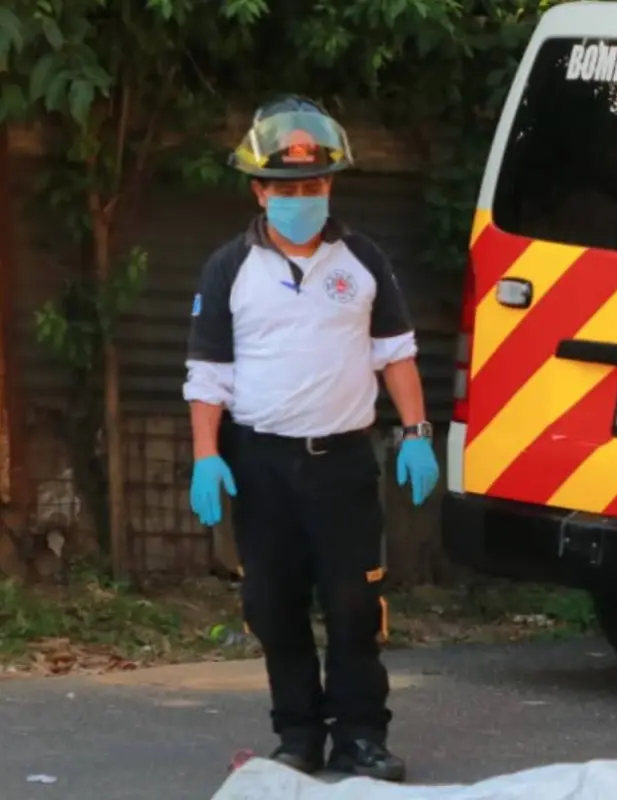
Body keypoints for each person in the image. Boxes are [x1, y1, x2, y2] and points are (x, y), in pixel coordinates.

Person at [181, 95, 440, 783]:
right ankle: (297, 737)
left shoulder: (362, 261)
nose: (303, 197)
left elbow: (397, 353)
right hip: (260, 463)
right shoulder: (228, 269)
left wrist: (416, 433)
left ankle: (361, 738)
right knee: (273, 605)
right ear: (259, 190)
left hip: (344, 462)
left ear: (331, 185)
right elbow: (208, 375)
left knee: (354, 604)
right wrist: (207, 456)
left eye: (317, 184)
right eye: (288, 187)